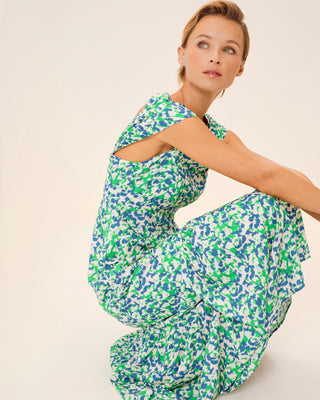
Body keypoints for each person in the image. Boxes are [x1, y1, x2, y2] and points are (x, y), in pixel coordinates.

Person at [88, 1, 320, 399]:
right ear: (182, 54)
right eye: (202, 44)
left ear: (240, 67)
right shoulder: (167, 117)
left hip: (162, 260)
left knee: (278, 199)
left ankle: (196, 347)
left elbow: (280, 175)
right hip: (126, 278)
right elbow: (267, 179)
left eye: (229, 49)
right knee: (264, 209)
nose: (215, 56)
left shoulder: (209, 129)